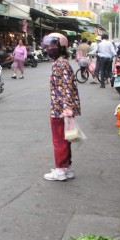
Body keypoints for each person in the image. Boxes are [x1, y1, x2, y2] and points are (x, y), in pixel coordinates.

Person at [42, 32, 81, 182]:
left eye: (53, 46)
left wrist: (66, 108)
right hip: (62, 107)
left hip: (60, 109)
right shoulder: (61, 62)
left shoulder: (61, 64)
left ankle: (59, 171)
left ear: (62, 47)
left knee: (59, 139)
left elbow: (66, 86)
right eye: (48, 46)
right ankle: (66, 168)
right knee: (66, 138)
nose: (49, 49)